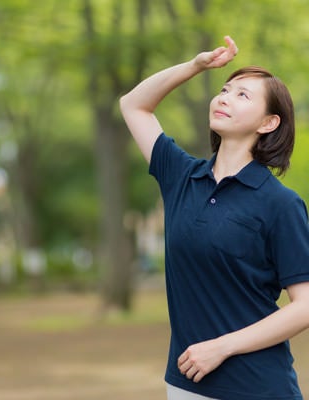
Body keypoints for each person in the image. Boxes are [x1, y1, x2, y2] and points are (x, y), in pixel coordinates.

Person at [119, 36, 309, 400]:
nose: (224, 97)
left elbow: (305, 307)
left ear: (269, 123)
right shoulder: (181, 176)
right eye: (224, 89)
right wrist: (195, 66)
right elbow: (133, 105)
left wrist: (221, 347)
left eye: (242, 95)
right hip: (185, 383)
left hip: (256, 387)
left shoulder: (280, 204)